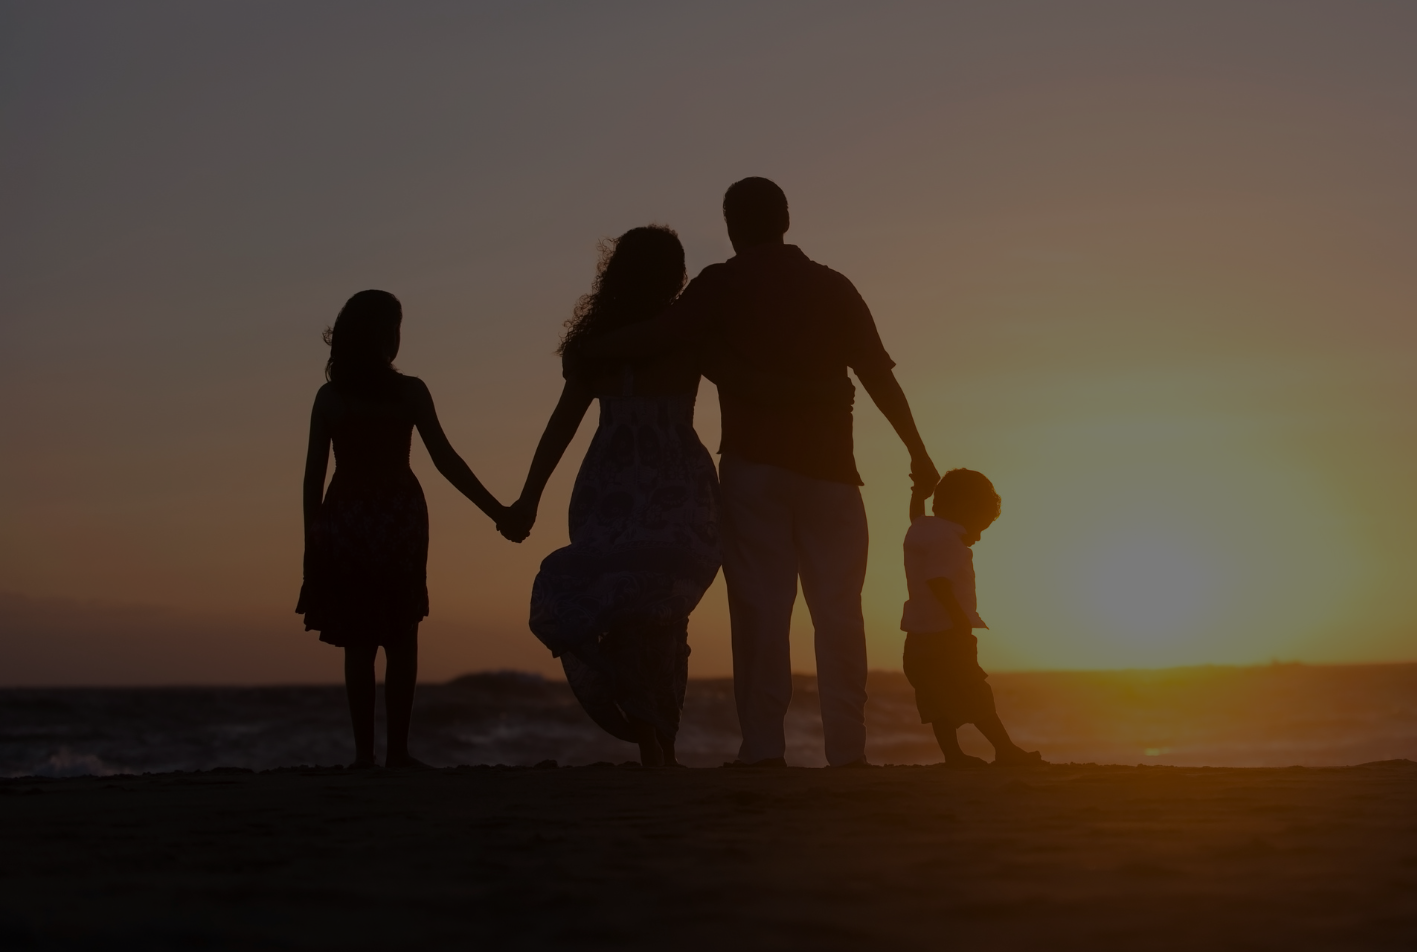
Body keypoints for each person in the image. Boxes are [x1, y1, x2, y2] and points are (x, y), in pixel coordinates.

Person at [571, 178, 939, 768]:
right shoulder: (833, 286)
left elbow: (660, 334)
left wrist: (592, 349)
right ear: (787, 218)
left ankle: (764, 749)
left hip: (755, 471)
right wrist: (918, 453)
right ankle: (848, 750)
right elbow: (878, 376)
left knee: (761, 611)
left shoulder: (721, 284)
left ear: (730, 226)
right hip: (832, 474)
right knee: (839, 610)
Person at [503, 226, 721, 768]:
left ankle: (652, 733)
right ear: (674, 276)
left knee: (625, 605)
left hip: (609, 487)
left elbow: (560, 428)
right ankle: (660, 737)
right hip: (676, 485)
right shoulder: (685, 335)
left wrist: (529, 498)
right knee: (665, 610)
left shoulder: (593, 348)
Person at [300, 290, 510, 769]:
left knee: (359, 642)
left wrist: (312, 542)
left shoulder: (331, 398)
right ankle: (398, 753)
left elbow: (313, 477)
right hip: (399, 519)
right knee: (401, 636)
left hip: (349, 519)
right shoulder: (410, 392)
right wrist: (497, 510)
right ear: (383, 336)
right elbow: (446, 461)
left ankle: (363, 756)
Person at [901, 468, 1042, 768]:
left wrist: (917, 495)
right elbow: (938, 581)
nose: (976, 538)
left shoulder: (923, 528)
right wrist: (960, 619)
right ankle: (1004, 749)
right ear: (965, 508)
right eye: (979, 527)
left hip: (917, 638)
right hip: (946, 634)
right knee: (975, 691)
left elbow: (917, 517)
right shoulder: (949, 542)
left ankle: (953, 756)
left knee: (935, 699)